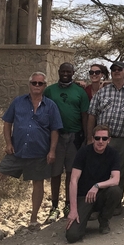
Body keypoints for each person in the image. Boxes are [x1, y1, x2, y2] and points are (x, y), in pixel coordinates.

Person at [0, 72, 62, 230]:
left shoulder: (51, 106)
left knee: (37, 184)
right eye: (34, 83)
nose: (37, 86)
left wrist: (52, 151)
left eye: (40, 83)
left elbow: (54, 130)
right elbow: (7, 123)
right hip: (17, 151)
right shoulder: (18, 102)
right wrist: (8, 143)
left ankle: (33, 220)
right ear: (29, 84)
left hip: (39, 152)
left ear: (45, 86)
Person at [87, 61, 124, 212]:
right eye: (114, 69)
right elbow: (92, 115)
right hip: (101, 139)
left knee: (119, 172)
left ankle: (115, 204)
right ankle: (97, 206)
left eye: (119, 69)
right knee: (99, 171)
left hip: (122, 139)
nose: (117, 71)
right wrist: (91, 137)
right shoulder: (102, 92)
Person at [43, 62, 90, 223]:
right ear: (58, 72)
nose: (65, 74)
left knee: (71, 174)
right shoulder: (49, 91)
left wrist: (86, 136)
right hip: (55, 136)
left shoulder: (80, 92)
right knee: (55, 173)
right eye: (62, 71)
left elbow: (84, 115)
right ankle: (54, 206)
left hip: (74, 137)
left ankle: (68, 205)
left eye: (68, 71)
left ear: (73, 73)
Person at [65, 125, 122, 242]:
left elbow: (116, 179)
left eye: (104, 138)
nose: (100, 141)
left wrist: (97, 186)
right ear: (92, 138)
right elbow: (73, 180)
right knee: (72, 236)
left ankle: (104, 220)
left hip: (100, 194)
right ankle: (84, 218)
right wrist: (73, 209)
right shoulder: (83, 152)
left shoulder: (113, 154)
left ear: (109, 140)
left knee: (115, 191)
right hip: (83, 197)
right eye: (97, 138)